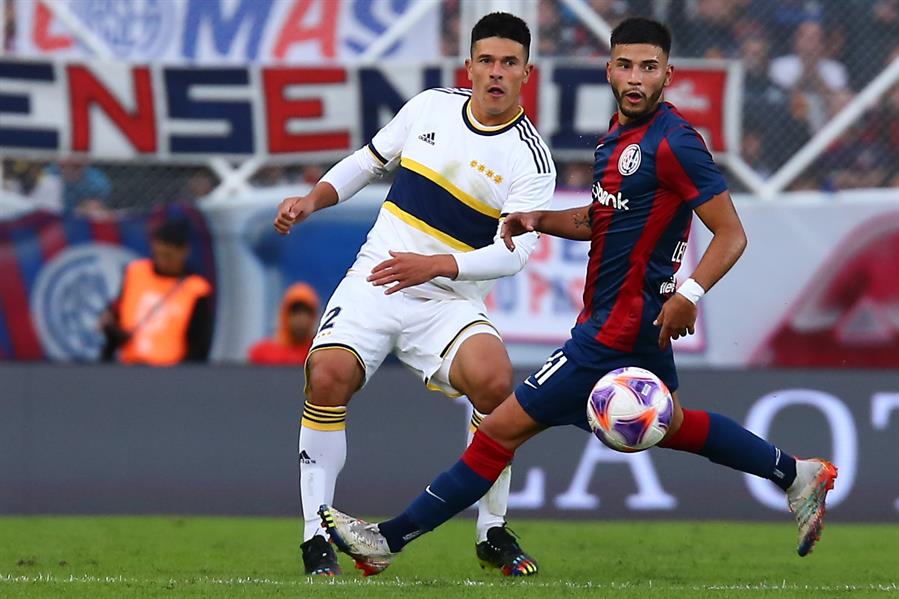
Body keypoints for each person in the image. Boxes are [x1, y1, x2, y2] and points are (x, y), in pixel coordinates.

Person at [318, 17, 838, 576]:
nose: (635, 78)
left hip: (616, 329)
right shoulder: (618, 135)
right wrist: (540, 218)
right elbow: (600, 219)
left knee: (497, 430)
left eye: (649, 67)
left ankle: (388, 541)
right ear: (609, 69)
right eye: (626, 65)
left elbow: (731, 234)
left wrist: (689, 292)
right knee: (675, 422)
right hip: (630, 324)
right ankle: (795, 473)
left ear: (668, 74)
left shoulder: (676, 142)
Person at [273, 12, 556, 577]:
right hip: (377, 278)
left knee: (496, 382)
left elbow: (514, 253)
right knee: (326, 373)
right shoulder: (429, 107)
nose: (495, 73)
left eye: (509, 63)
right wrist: (314, 198)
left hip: (447, 298)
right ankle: (315, 538)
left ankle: (492, 530)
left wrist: (436, 265)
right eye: (487, 60)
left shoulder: (530, 158)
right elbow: (366, 162)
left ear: (528, 73)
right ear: (467, 66)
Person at [100, 219, 213, 365]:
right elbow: (117, 314)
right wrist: (109, 327)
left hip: (171, 370)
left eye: (168, 255)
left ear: (184, 251)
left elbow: (199, 341)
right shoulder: (135, 272)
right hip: (130, 364)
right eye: (158, 254)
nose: (162, 261)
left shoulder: (196, 288)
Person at [248, 283, 319, 365]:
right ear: (284, 315)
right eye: (295, 312)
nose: (300, 319)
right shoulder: (261, 354)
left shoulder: (319, 353)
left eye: (306, 313)